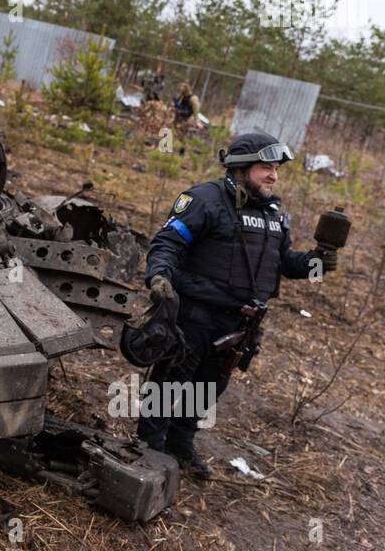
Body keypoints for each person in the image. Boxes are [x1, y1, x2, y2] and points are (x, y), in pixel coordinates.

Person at [138, 131, 338, 478]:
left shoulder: (274, 213)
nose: (273, 175)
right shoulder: (203, 199)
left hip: (239, 325)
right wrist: (158, 278)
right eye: (265, 167)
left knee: (207, 388)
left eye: (276, 169)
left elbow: (284, 263)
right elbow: (168, 243)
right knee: (169, 380)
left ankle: (180, 443)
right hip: (194, 315)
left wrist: (317, 262)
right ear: (241, 167)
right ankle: (146, 448)